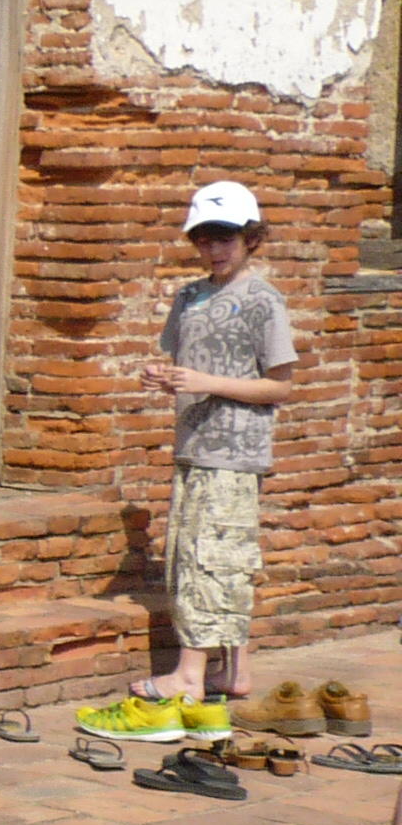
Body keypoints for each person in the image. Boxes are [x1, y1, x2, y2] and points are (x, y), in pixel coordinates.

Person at [123, 181, 295, 712]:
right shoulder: (190, 297)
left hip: (235, 450)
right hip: (194, 443)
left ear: (250, 238)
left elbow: (280, 385)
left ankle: (189, 676)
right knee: (206, 554)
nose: (214, 249)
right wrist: (165, 377)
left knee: (208, 558)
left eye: (225, 238)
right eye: (204, 239)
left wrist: (206, 383)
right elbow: (186, 366)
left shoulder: (264, 300)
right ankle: (235, 672)